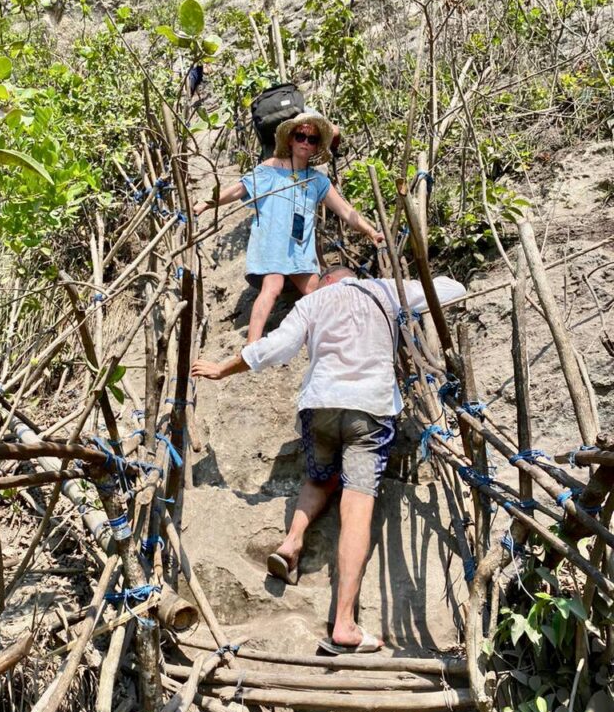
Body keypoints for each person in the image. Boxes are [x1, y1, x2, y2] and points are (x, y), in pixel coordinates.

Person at [191, 265, 466, 653]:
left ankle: (291, 544)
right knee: (357, 505)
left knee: (320, 477)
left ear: (328, 281)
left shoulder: (314, 301)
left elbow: (273, 346)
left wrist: (222, 368)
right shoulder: (384, 290)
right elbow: (451, 288)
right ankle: (345, 625)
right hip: (368, 408)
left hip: (320, 405)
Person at [193, 111, 385, 343]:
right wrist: (207, 203)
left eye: (311, 139)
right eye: (301, 136)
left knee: (315, 291)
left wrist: (370, 231)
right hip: (272, 243)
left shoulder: (317, 180)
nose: (305, 142)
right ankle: (251, 345)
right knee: (271, 287)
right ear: (291, 139)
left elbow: (345, 211)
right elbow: (239, 189)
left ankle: (331, 338)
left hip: (300, 248)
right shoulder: (270, 169)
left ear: (316, 147)